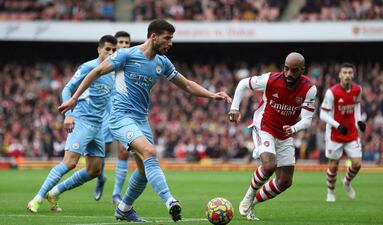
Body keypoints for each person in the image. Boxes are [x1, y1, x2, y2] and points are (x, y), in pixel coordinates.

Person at [58, 19, 232, 222]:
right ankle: (170, 201)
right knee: (149, 152)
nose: (171, 43)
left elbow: (186, 85)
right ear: (153, 37)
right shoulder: (126, 55)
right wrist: (73, 98)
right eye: (168, 38)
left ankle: (123, 209)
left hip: (141, 120)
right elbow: (96, 72)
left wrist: (212, 95)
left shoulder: (162, 63)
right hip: (120, 117)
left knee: (143, 172)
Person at [27, 35, 117, 213]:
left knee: (95, 171)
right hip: (82, 121)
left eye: (114, 50)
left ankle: (55, 192)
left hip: (98, 127)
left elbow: (108, 102)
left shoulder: (112, 73)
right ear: (99, 49)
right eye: (108, 49)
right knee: (70, 163)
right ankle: (36, 199)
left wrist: (114, 122)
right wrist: (68, 115)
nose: (111, 53)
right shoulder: (89, 67)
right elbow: (67, 88)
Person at [228, 52, 317, 220]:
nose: (289, 74)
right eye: (286, 69)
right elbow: (242, 84)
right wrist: (234, 108)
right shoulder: (270, 79)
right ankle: (248, 196)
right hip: (264, 126)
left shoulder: (309, 88)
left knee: (285, 181)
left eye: (294, 70)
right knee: (269, 166)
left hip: (285, 133)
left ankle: (252, 204)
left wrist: (294, 129)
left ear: (303, 70)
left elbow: (306, 120)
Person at [93, 31, 141, 205]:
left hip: (123, 114)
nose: (123, 45)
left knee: (123, 152)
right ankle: (100, 179)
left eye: (127, 43)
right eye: (120, 42)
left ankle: (116, 193)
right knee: (101, 153)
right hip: (105, 114)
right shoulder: (107, 63)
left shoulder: (132, 64)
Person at [320, 62, 365, 202]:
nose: (347, 75)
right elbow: (322, 114)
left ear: (353, 75)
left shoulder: (357, 89)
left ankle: (346, 182)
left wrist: (359, 121)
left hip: (351, 133)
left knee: (357, 164)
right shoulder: (332, 92)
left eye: (350, 73)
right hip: (335, 134)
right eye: (344, 72)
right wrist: (337, 125)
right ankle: (330, 192)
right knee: (334, 165)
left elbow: (356, 106)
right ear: (340, 75)